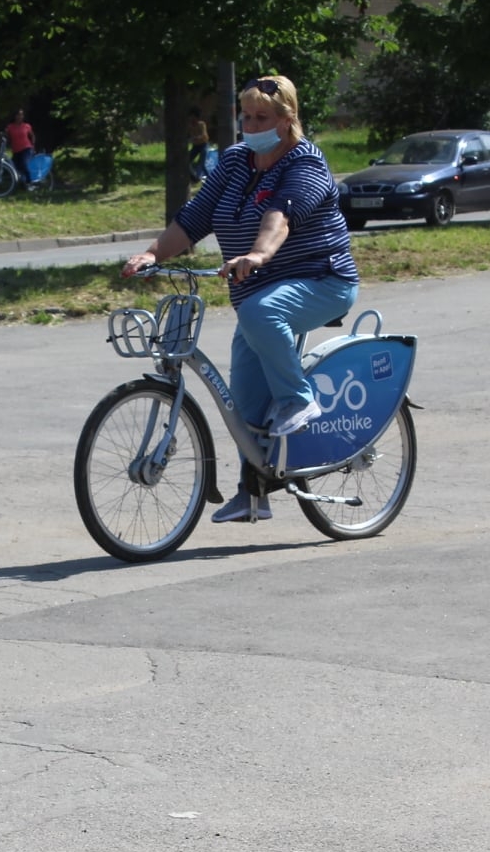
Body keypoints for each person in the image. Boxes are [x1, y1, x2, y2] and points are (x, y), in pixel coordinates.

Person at [123, 74, 359, 523]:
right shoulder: (234, 161)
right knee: (245, 401)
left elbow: (280, 217)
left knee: (263, 311)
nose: (251, 125)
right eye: (245, 116)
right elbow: (194, 219)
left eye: (262, 117)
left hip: (321, 282)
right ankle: (254, 492)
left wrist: (258, 253)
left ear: (287, 119)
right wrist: (152, 253)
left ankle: (298, 399)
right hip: (256, 295)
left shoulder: (305, 163)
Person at [4, 109, 36, 188]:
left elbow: (32, 136)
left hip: (26, 148)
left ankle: (30, 183)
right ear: (15, 116)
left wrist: (33, 145)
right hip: (16, 150)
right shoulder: (10, 127)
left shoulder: (26, 126)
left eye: (21, 115)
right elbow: (6, 136)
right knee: (15, 167)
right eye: (18, 115)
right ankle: (22, 183)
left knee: (24, 164)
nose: (20, 117)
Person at [187, 107, 211, 181]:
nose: (191, 119)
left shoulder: (201, 124)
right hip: (195, 146)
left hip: (203, 145)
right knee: (187, 160)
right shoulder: (190, 126)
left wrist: (196, 138)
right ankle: (194, 176)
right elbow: (188, 136)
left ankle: (208, 179)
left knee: (202, 163)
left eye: (193, 117)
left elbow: (204, 135)